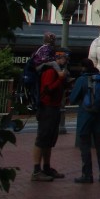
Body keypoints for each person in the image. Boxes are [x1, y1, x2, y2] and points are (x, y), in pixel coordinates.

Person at [31, 48, 68, 182]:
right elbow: (47, 89)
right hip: (47, 107)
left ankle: (46, 167)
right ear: (58, 57)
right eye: (65, 57)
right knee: (42, 138)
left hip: (53, 107)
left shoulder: (55, 71)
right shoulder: (50, 71)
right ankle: (36, 170)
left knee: (49, 139)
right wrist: (60, 79)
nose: (66, 60)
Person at [69, 58, 100, 183]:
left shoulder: (82, 80)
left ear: (83, 68)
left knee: (85, 145)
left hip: (86, 116)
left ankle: (87, 175)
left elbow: (73, 98)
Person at [23, 32, 56, 112]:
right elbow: (45, 59)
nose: (55, 41)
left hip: (36, 68)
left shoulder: (41, 48)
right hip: (38, 67)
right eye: (54, 39)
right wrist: (55, 60)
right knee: (54, 63)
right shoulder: (47, 48)